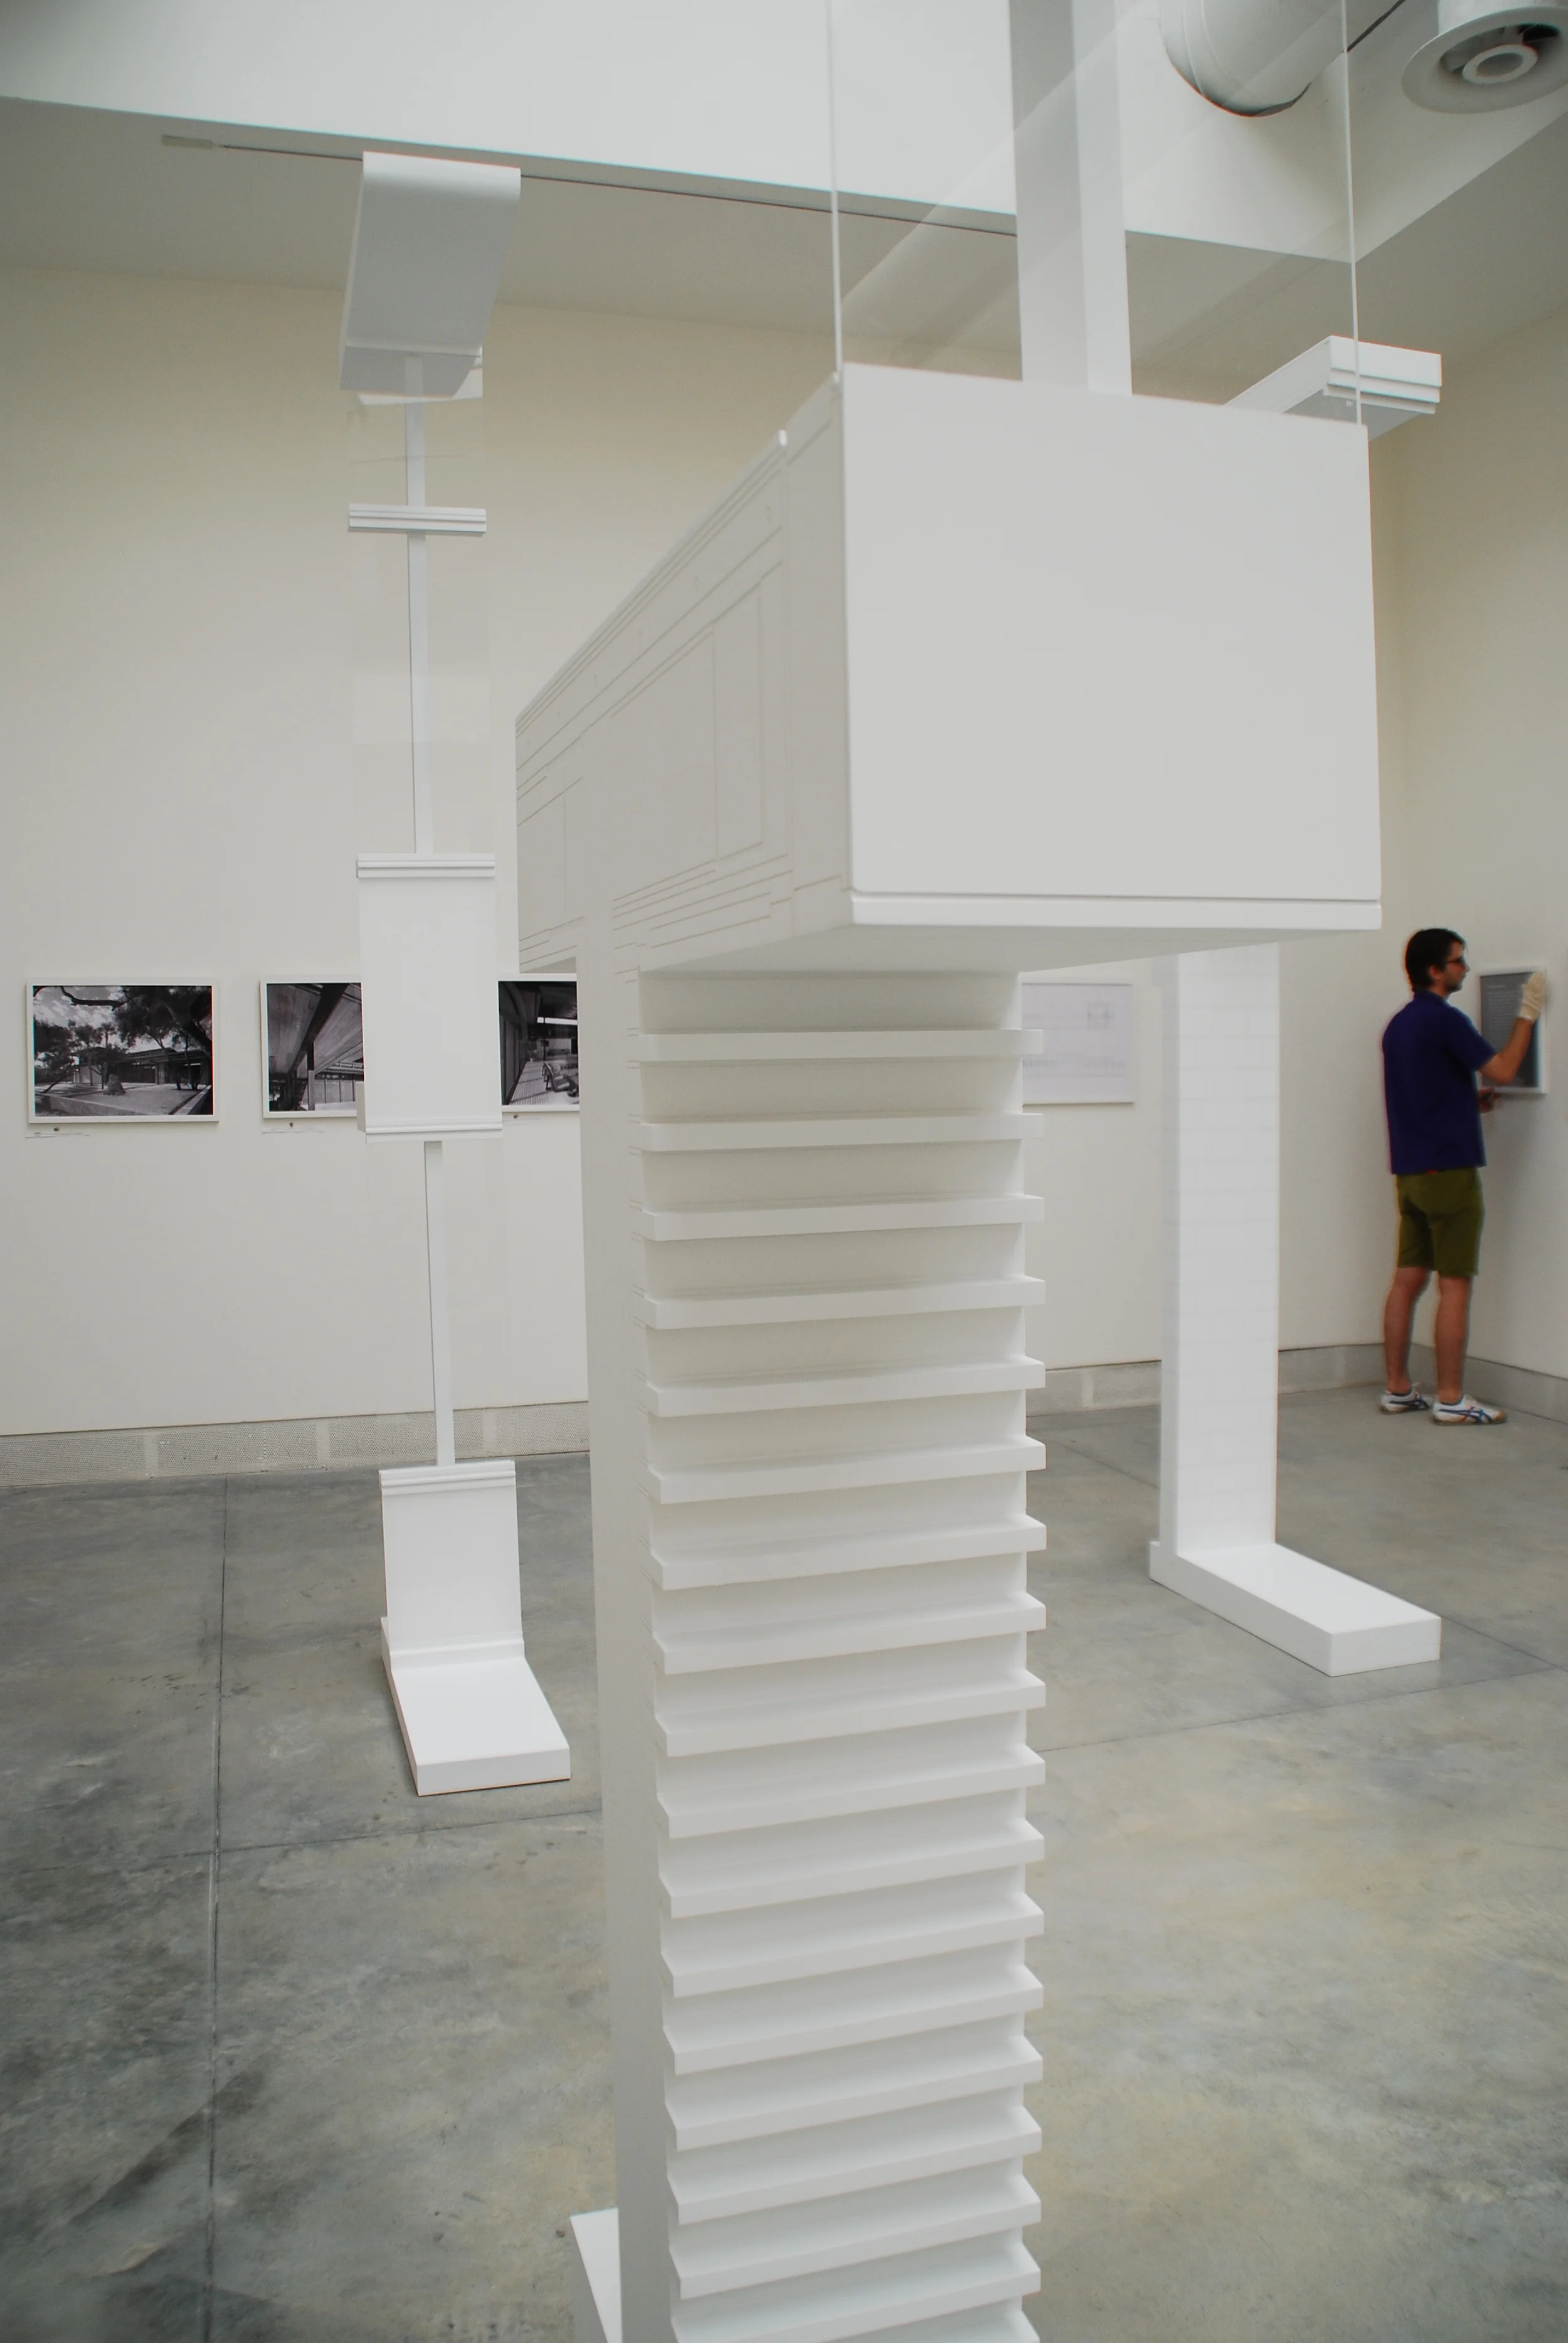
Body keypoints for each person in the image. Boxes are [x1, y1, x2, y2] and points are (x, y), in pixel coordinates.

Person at [1380, 930, 1545, 1425]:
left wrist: (1464, 1101)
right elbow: (1505, 1068)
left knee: (1407, 1280)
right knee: (1455, 1286)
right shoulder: (1447, 1020)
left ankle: (1398, 1389)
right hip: (1449, 1172)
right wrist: (1528, 1012)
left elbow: (1421, 1090)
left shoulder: (1399, 1025)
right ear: (1436, 970)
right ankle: (1451, 1398)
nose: (1465, 968)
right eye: (1458, 961)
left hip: (1411, 1173)